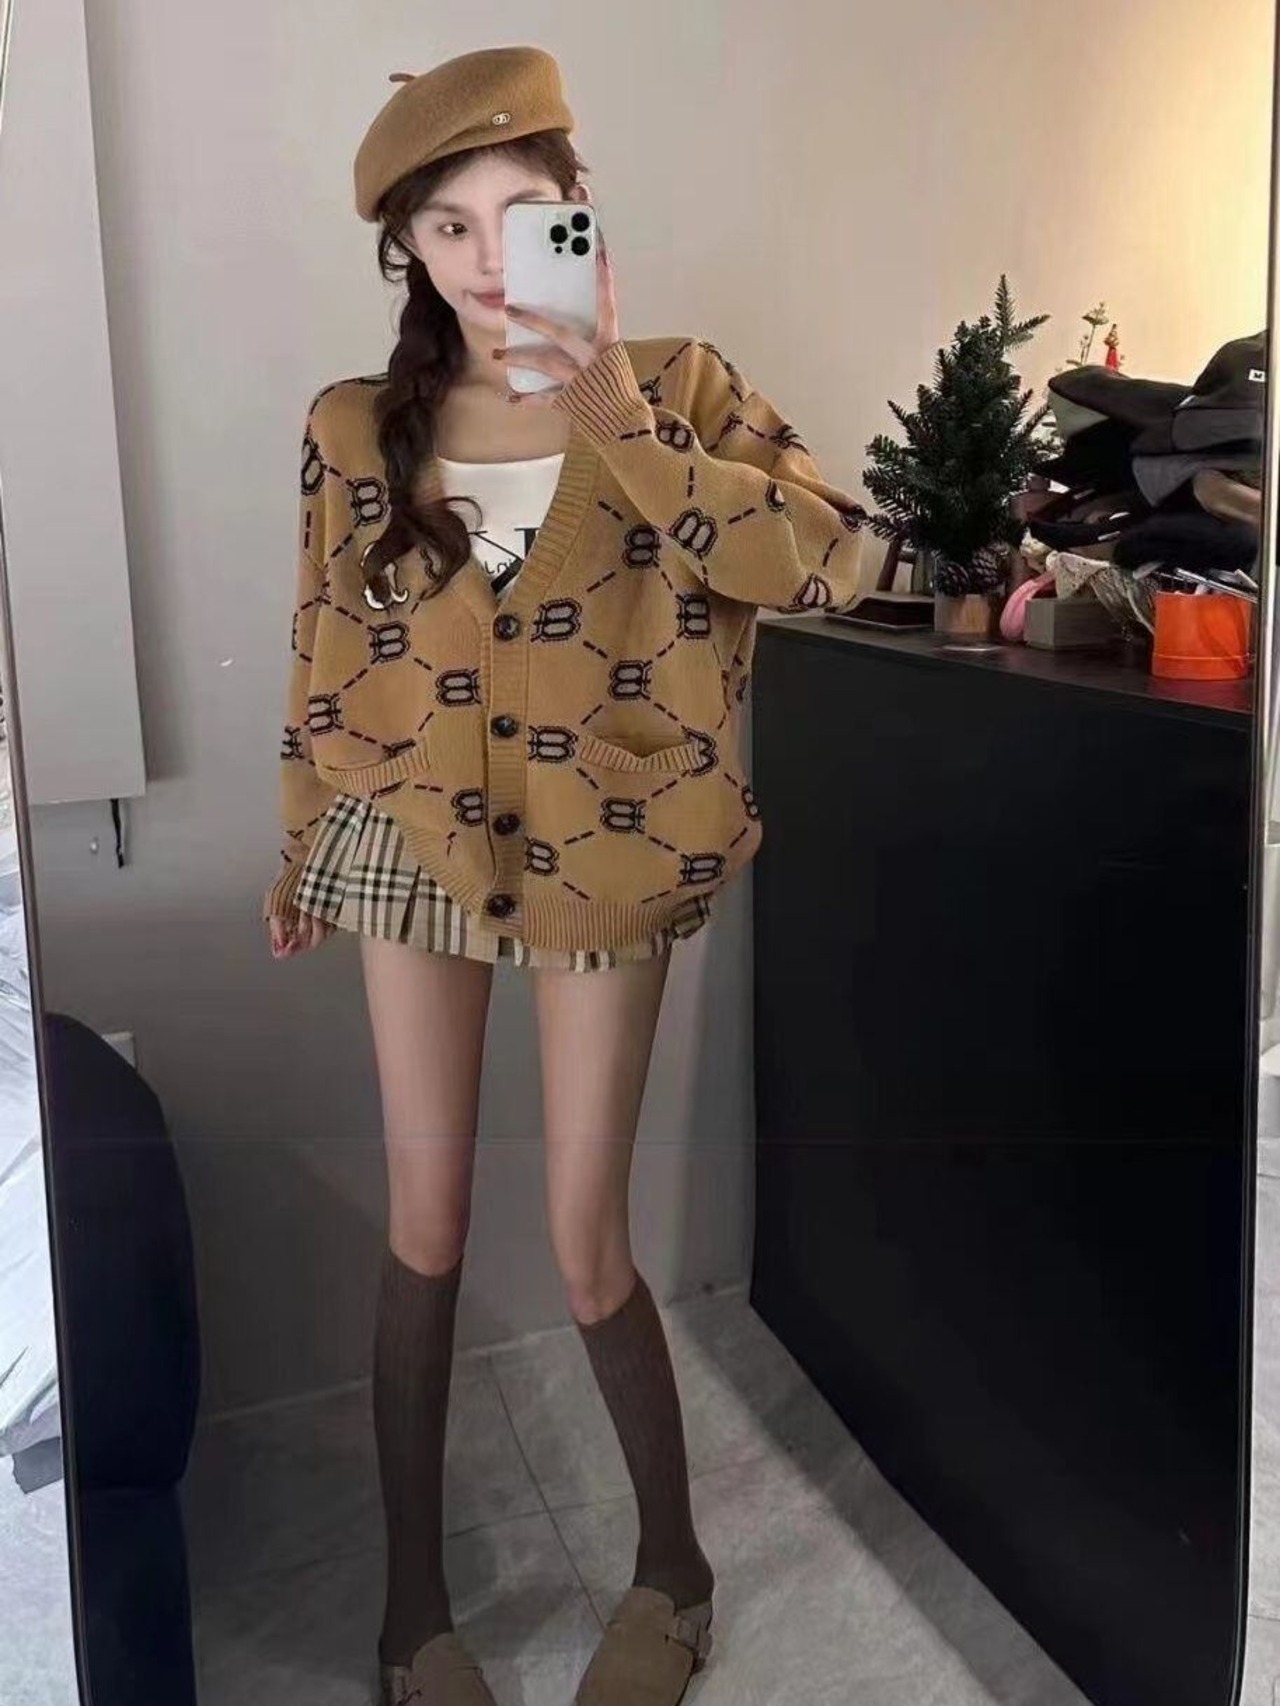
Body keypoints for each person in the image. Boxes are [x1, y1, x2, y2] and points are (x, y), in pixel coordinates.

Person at [261, 43, 866, 1706]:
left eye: (521, 214)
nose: (482, 258)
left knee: (585, 1235)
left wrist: (617, 417)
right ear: (405, 248)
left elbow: (828, 559)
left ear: (577, 213)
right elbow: (321, 644)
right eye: (444, 226)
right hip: (409, 834)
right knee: (427, 1220)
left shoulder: (681, 383)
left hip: (611, 838)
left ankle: (675, 1573)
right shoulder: (352, 426)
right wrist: (301, 833)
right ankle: (412, 1614)